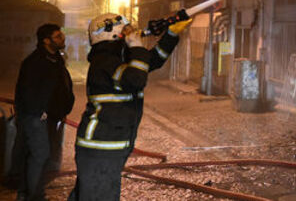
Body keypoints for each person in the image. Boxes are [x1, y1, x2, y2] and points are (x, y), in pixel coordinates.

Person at [68, 10, 191, 201]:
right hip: (101, 147)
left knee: (88, 194)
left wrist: (171, 35)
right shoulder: (105, 62)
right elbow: (136, 78)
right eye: (126, 31)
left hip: (106, 146)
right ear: (112, 34)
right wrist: (136, 46)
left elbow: (150, 62)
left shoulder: (115, 60)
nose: (131, 34)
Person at [14, 23, 74, 201]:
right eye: (57, 36)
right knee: (40, 155)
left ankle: (26, 195)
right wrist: (41, 113)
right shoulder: (36, 62)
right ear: (46, 40)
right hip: (37, 117)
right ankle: (34, 196)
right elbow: (29, 92)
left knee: (40, 156)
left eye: (61, 35)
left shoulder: (55, 59)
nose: (62, 39)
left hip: (50, 117)